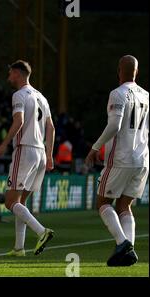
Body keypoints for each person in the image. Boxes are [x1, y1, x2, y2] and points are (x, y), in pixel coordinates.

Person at [85, 55, 148, 266]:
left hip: (121, 158)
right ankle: (128, 250)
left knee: (103, 202)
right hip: (142, 159)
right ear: (136, 72)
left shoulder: (118, 93)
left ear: (119, 70)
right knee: (125, 205)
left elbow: (114, 126)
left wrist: (95, 147)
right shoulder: (146, 96)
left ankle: (122, 243)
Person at [0, 60, 55, 257]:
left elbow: (19, 120)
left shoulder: (19, 95)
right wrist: (49, 154)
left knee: (10, 201)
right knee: (21, 201)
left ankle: (41, 231)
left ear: (19, 74)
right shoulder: (41, 97)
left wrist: (4, 144)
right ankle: (19, 248)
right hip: (40, 153)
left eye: (11, 73)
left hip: (25, 149)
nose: (9, 77)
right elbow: (51, 127)